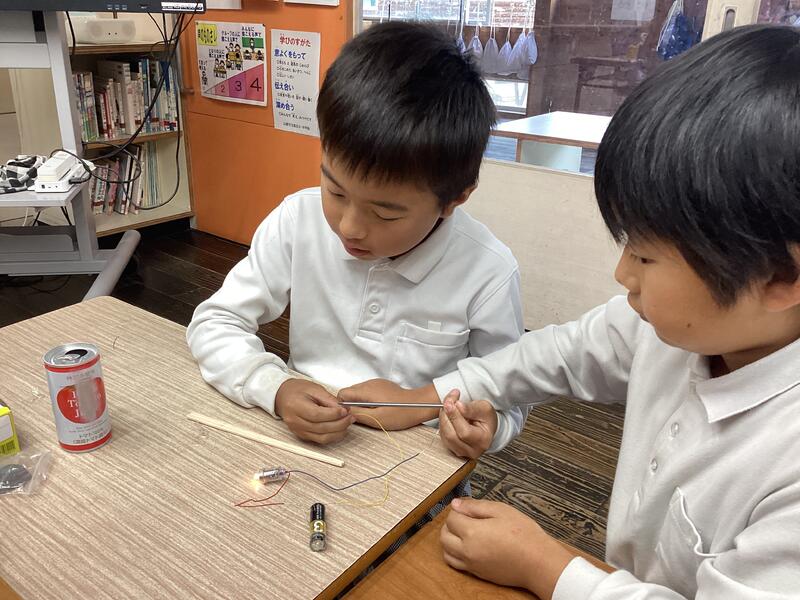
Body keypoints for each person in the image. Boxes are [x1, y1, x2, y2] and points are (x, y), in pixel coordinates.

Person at [339, 24, 800, 598]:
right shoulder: (671, 330)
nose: (622, 274)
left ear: (780, 278)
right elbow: (559, 354)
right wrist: (427, 397)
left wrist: (548, 568)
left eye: (646, 256)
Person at [186, 21, 527, 460]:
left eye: (385, 213)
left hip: (419, 458)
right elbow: (215, 322)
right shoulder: (298, 219)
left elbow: (510, 393)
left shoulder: (488, 272)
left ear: (454, 199)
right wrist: (275, 387)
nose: (349, 227)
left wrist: (487, 427)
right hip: (300, 439)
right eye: (335, 191)